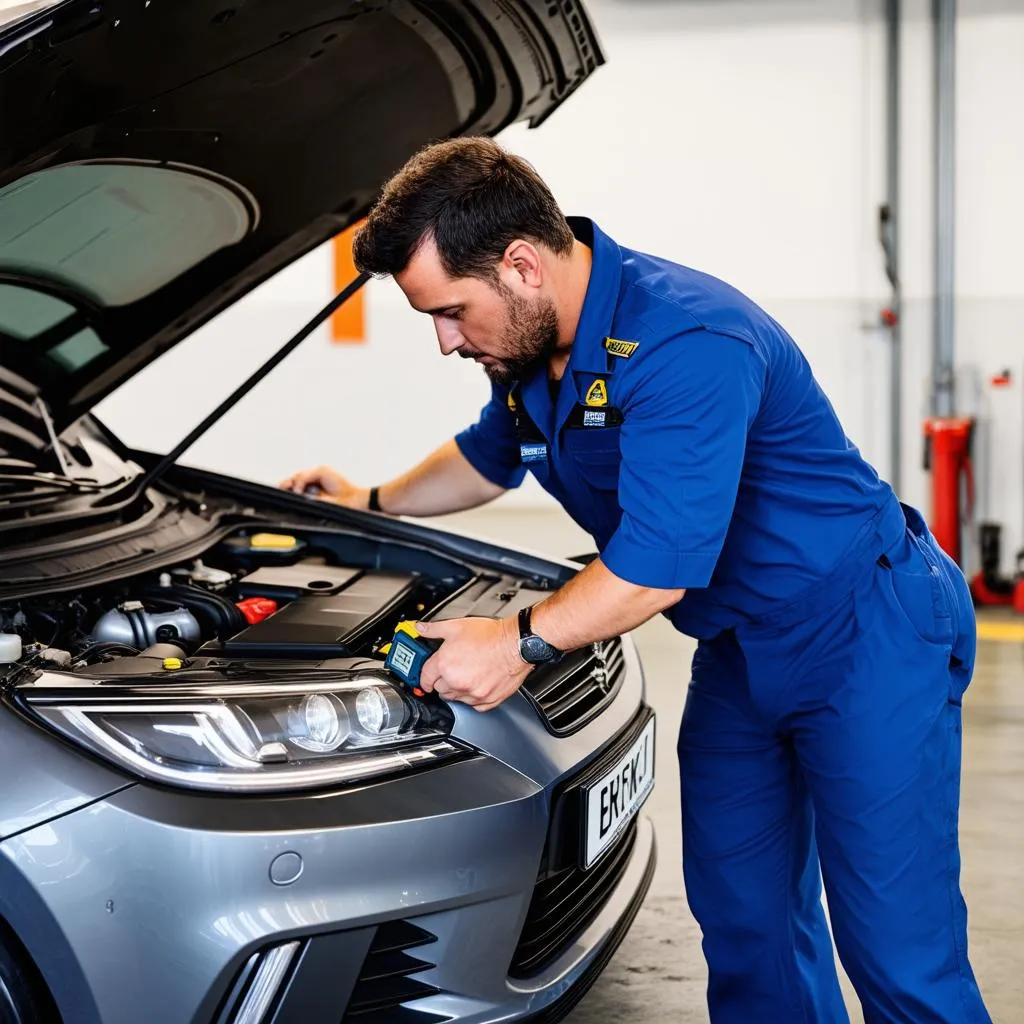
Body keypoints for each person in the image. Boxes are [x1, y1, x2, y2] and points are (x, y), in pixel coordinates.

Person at [280, 137, 990, 1023]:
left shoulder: (686, 339)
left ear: (521, 265)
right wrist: (369, 498)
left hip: (863, 629)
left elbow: (653, 570)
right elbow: (487, 459)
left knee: (896, 947)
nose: (445, 341)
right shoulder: (533, 355)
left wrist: (517, 643)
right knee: (747, 924)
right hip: (736, 644)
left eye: (453, 312)